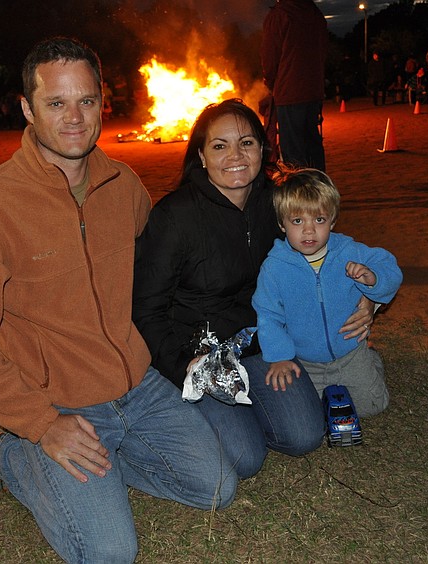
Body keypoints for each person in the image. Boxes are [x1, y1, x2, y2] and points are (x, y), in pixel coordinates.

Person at [0, 37, 236, 563]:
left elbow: (166, 283)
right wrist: (40, 423)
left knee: (216, 489)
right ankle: (10, 451)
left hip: (137, 387)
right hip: (56, 400)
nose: (75, 117)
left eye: (87, 101)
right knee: (110, 552)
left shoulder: (124, 185)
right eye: (56, 103)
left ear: (102, 103)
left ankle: (101, 464)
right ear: (27, 108)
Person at [132, 99, 375, 480]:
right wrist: (184, 368)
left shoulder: (277, 203)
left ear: (263, 149)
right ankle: (179, 406)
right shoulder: (174, 217)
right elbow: (146, 309)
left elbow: (328, 248)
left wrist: (367, 296)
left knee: (304, 436)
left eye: (246, 143)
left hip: (263, 346)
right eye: (219, 145)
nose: (235, 155)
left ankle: (247, 414)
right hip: (201, 357)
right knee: (245, 459)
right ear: (201, 154)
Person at [252, 168, 402, 417]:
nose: (309, 231)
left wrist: (373, 277)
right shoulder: (275, 267)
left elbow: (390, 267)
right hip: (306, 360)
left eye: (319, 220)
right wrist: (279, 356)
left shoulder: (348, 250)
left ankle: (372, 360)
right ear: (282, 224)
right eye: (298, 221)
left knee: (372, 407)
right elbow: (268, 314)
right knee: (313, 413)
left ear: (332, 221)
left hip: (350, 352)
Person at [261, 0, 328, 171]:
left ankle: (299, 192)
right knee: (312, 142)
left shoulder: (280, 15)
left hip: (289, 92)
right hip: (314, 90)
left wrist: (270, 82)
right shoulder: (315, 12)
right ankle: (319, 186)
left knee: (293, 149)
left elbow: (270, 57)